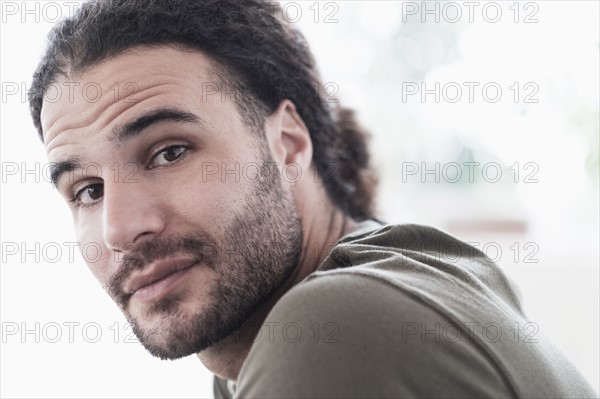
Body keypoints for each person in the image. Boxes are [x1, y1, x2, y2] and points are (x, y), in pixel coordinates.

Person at [29, 0, 597, 398]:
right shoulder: (278, 344)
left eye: (169, 152)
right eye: (87, 190)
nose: (119, 228)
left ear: (288, 143)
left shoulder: (340, 325)